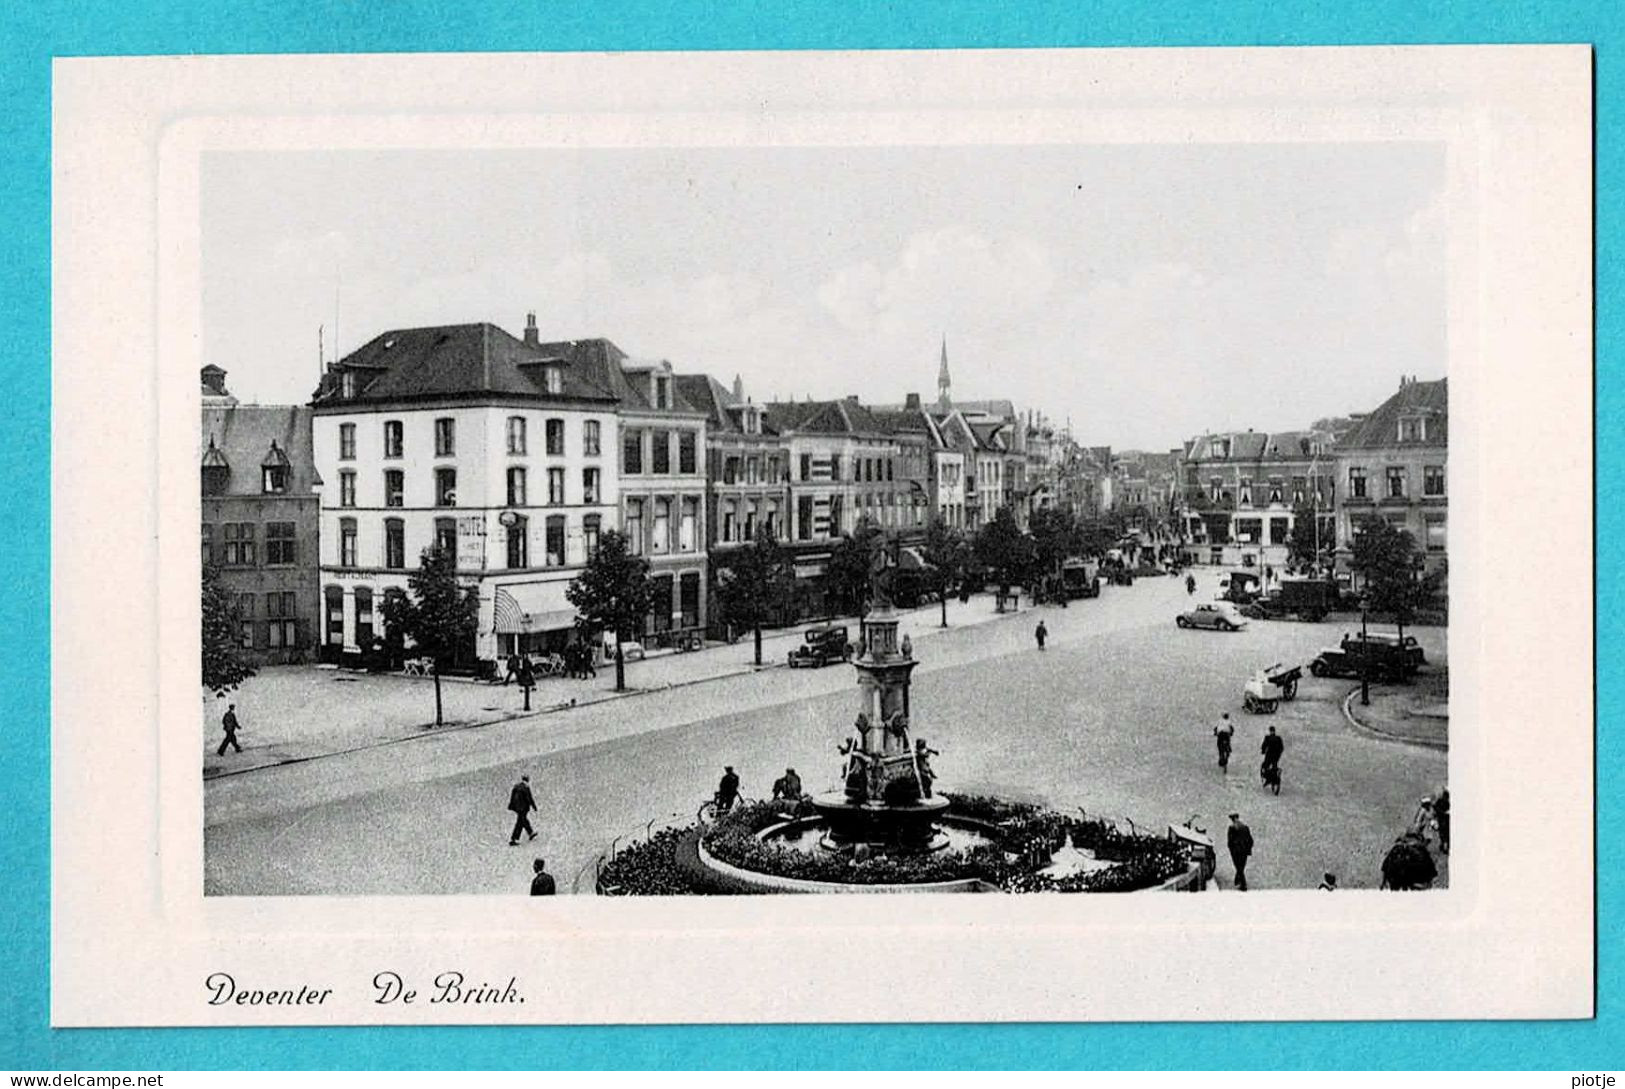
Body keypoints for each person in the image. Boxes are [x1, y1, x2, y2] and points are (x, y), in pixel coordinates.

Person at [507, 775, 538, 846]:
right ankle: (514, 838)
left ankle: (530, 833)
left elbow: (512, 797)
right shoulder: (526, 788)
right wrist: (534, 807)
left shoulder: (516, 786)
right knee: (520, 822)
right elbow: (529, 798)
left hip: (517, 808)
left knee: (522, 821)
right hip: (523, 808)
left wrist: (511, 805)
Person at [1226, 812, 1254, 891]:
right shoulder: (1245, 828)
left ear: (1232, 819)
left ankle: (1243, 885)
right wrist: (1248, 849)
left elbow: (1230, 842)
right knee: (1241, 867)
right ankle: (1238, 880)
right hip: (1244, 851)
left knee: (1239, 868)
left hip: (1236, 852)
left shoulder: (1231, 828)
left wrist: (1231, 850)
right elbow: (1251, 840)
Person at [1433, 789, 1450, 854]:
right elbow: (1435, 807)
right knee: (1443, 834)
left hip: (1446, 820)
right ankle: (1444, 845)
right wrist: (1443, 813)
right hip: (1442, 820)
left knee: (1446, 834)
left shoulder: (1447, 802)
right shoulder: (1440, 801)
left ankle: (1446, 846)